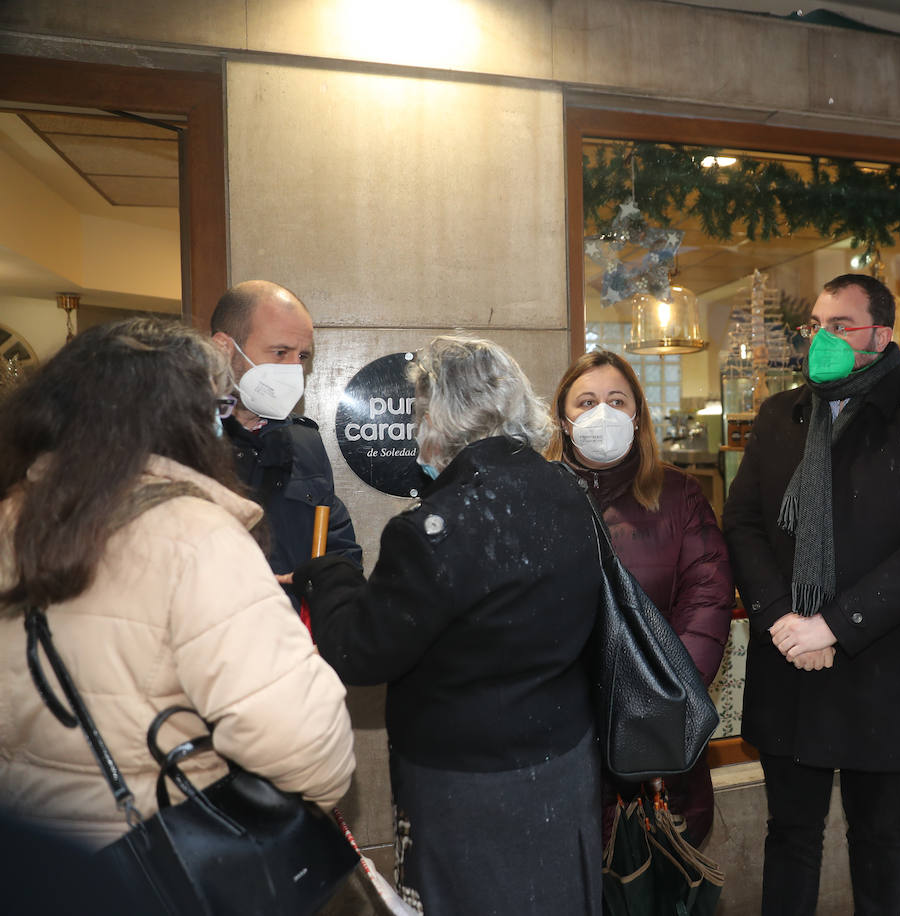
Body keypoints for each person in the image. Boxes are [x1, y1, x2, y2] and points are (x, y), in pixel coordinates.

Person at [0, 317, 355, 851]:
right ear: (174, 417)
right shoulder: (196, 534)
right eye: (216, 410)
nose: (221, 426)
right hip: (160, 856)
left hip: (40, 860)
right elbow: (307, 747)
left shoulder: (12, 516)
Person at [290, 334, 603, 916]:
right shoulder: (567, 491)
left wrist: (328, 576)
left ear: (440, 414)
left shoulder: (432, 528)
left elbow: (361, 652)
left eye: (419, 411)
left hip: (466, 785)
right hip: (563, 764)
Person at [723, 273, 900, 916]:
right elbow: (744, 523)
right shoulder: (784, 414)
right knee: (792, 837)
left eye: (841, 325)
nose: (822, 338)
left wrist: (832, 626)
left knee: (880, 837)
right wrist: (783, 618)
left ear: (882, 335)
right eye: (816, 324)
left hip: (880, 667)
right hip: (790, 668)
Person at [546, 349, 734, 846]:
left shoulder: (680, 495)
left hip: (656, 741)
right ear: (563, 420)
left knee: (650, 883)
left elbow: (707, 604)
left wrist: (661, 707)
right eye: (585, 402)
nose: (600, 413)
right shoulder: (536, 494)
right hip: (559, 736)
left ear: (637, 415)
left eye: (616, 400)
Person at [210, 280, 361, 586]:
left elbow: (339, 549)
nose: (295, 370)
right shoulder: (178, 440)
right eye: (280, 352)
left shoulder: (305, 442)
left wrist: (331, 593)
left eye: (302, 357)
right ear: (224, 349)